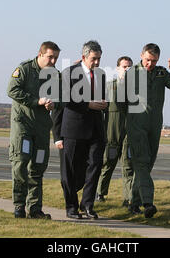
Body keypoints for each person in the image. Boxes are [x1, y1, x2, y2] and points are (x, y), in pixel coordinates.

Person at [125, 43, 170, 218]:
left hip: (154, 124)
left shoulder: (160, 73)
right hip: (136, 124)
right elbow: (122, 102)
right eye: (147, 60)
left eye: (153, 61)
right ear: (141, 55)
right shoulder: (132, 73)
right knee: (142, 162)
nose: (149, 64)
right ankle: (148, 203)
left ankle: (133, 202)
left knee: (147, 164)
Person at [52, 40, 107, 219]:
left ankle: (88, 205)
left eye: (99, 58)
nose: (97, 62)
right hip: (73, 129)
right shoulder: (69, 73)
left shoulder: (101, 75)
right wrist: (57, 135)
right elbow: (65, 100)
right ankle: (71, 206)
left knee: (95, 166)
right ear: (84, 57)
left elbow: (103, 98)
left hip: (96, 130)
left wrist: (105, 103)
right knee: (70, 171)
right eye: (93, 59)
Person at [7, 41, 61, 219]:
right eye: (50, 57)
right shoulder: (24, 70)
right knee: (21, 164)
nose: (53, 61)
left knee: (38, 166)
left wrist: (55, 103)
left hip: (41, 128)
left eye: (56, 58)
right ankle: (19, 206)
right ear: (40, 54)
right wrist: (36, 101)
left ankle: (35, 208)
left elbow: (62, 98)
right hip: (23, 125)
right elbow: (12, 90)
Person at [95, 56, 134, 208]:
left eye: (130, 67)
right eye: (124, 67)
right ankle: (100, 193)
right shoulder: (108, 87)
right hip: (111, 133)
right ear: (117, 68)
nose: (127, 69)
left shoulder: (136, 90)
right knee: (107, 164)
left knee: (128, 165)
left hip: (128, 134)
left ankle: (128, 198)